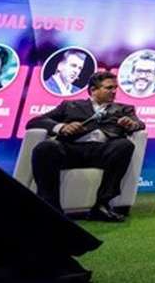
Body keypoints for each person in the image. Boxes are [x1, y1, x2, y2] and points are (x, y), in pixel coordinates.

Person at [26, 70, 145, 222]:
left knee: (124, 145)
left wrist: (132, 124)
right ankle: (51, 208)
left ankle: (102, 206)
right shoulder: (70, 105)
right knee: (45, 148)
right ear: (93, 90)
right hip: (71, 150)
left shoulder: (124, 109)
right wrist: (61, 127)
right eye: (109, 88)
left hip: (103, 152)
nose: (114, 91)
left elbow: (139, 124)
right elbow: (35, 121)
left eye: (116, 88)